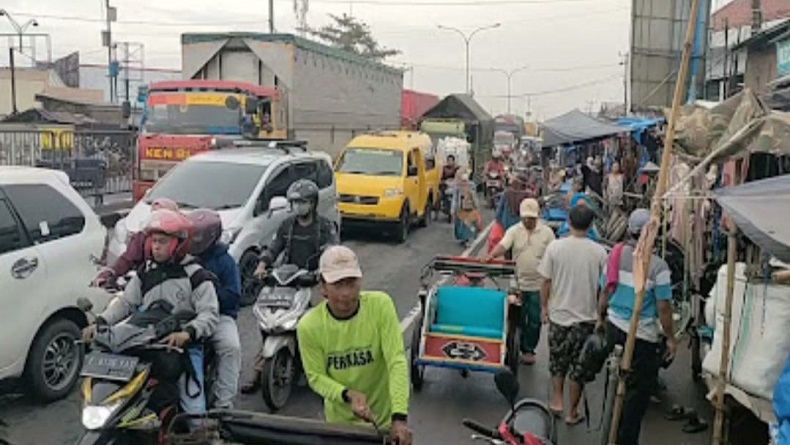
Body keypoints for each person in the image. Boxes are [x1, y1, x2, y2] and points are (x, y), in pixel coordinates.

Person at [82, 209, 219, 420]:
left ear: (179, 244)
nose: (156, 246)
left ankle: (198, 427)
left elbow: (209, 314)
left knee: (194, 412)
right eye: (154, 241)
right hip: (144, 340)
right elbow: (126, 303)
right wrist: (100, 322)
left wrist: (188, 333)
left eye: (162, 241)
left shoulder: (196, 275)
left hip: (182, 346)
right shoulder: (145, 272)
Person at [297, 245, 412, 445]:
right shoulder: (309, 326)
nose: (346, 293)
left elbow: (396, 361)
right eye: (337, 284)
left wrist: (399, 417)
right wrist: (347, 395)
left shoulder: (381, 306)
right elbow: (316, 377)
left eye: (351, 283)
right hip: (340, 427)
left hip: (382, 423)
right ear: (323, 287)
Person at [243, 179, 339, 393]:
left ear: (312, 203)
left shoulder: (325, 227)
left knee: (320, 322)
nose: (298, 206)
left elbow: (332, 251)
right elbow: (273, 248)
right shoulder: (287, 225)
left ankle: (323, 369)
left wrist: (322, 270)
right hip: (288, 280)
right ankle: (260, 370)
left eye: (302, 202)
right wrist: (262, 265)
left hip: (314, 281)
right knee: (270, 319)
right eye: (294, 202)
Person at [597, 209, 677, 445]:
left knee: (614, 386)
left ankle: (611, 433)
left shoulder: (614, 255)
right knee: (635, 397)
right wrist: (671, 337)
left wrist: (600, 318)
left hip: (614, 327)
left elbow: (604, 292)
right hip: (641, 337)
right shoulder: (658, 266)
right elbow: (664, 308)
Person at [537, 205, 607, 425]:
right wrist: (601, 317)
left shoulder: (555, 247)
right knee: (579, 368)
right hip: (586, 319)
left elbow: (546, 281)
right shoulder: (599, 252)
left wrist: (544, 307)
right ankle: (572, 412)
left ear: (568, 221)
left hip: (559, 316)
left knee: (557, 362)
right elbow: (603, 289)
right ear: (591, 225)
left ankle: (557, 400)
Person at [486, 198, 556, 365]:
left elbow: (554, 254)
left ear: (537, 216)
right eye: (525, 218)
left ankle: (528, 349)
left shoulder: (547, 233)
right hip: (517, 283)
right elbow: (503, 245)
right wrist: (491, 256)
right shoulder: (514, 230)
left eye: (531, 218)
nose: (528, 221)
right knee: (514, 317)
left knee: (534, 320)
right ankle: (511, 346)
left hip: (538, 285)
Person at [187, 209, 242, 410]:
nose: (195, 241)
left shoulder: (225, 261)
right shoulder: (182, 257)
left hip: (220, 316)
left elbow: (234, 295)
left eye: (199, 236)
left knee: (231, 348)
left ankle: (224, 402)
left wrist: (208, 296)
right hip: (186, 315)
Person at [92, 197, 180, 287]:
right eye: (154, 215)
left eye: (161, 216)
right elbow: (127, 259)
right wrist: (109, 273)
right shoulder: (142, 237)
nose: (156, 246)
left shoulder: (182, 242)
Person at [452, 168, 482, 246]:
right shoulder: (458, 187)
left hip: (468, 208)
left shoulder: (470, 186)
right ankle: (465, 238)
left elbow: (474, 198)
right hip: (462, 208)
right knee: (464, 224)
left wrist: (477, 208)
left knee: (467, 224)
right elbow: (455, 199)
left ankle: (468, 238)